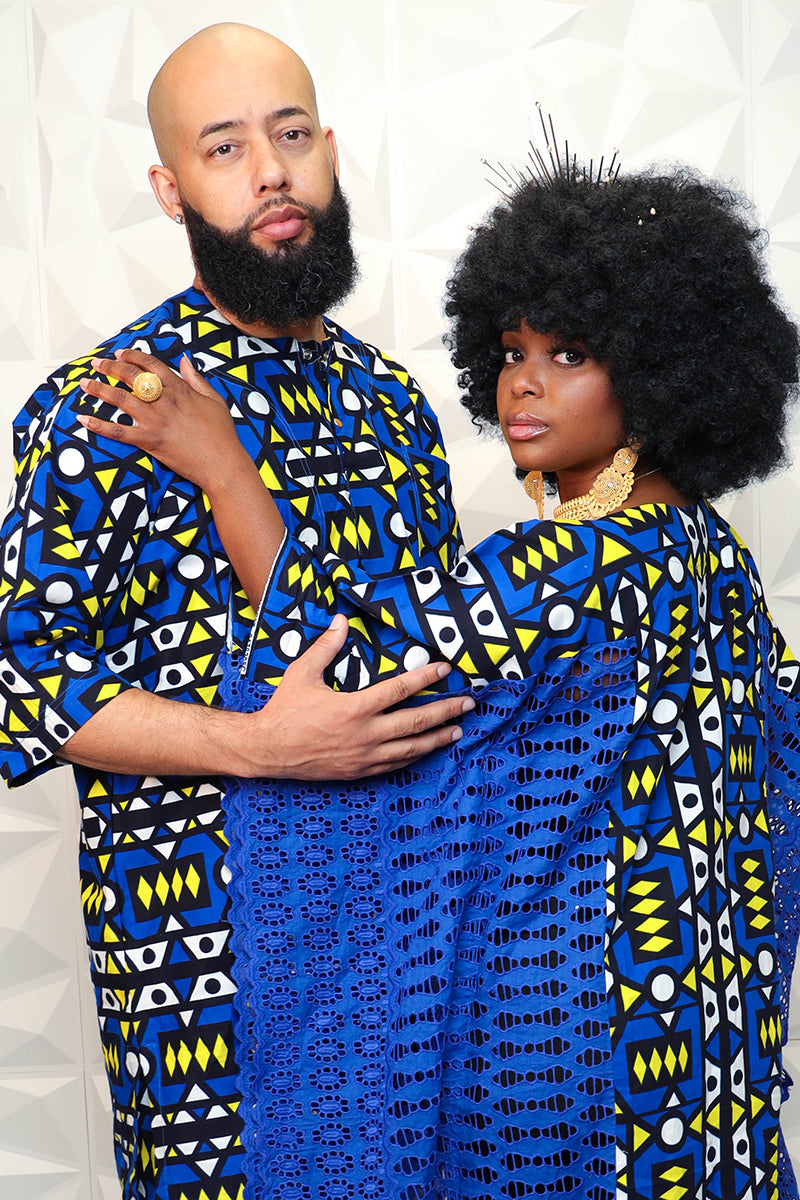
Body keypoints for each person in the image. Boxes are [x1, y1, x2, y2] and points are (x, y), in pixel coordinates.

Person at [80, 156, 800, 1200]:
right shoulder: (710, 555)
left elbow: (348, 665)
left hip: (576, 1048)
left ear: (660, 371)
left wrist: (225, 466)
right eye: (510, 352)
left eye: (569, 354)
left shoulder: (575, 564)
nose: (523, 384)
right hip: (705, 1037)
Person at [0, 23, 470, 1199]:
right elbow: (19, 679)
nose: (270, 172)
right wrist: (258, 747)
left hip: (411, 934)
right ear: (171, 190)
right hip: (203, 963)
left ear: (329, 152)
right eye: (223, 148)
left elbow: (433, 663)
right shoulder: (110, 404)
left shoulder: (392, 402)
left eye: (290, 134)